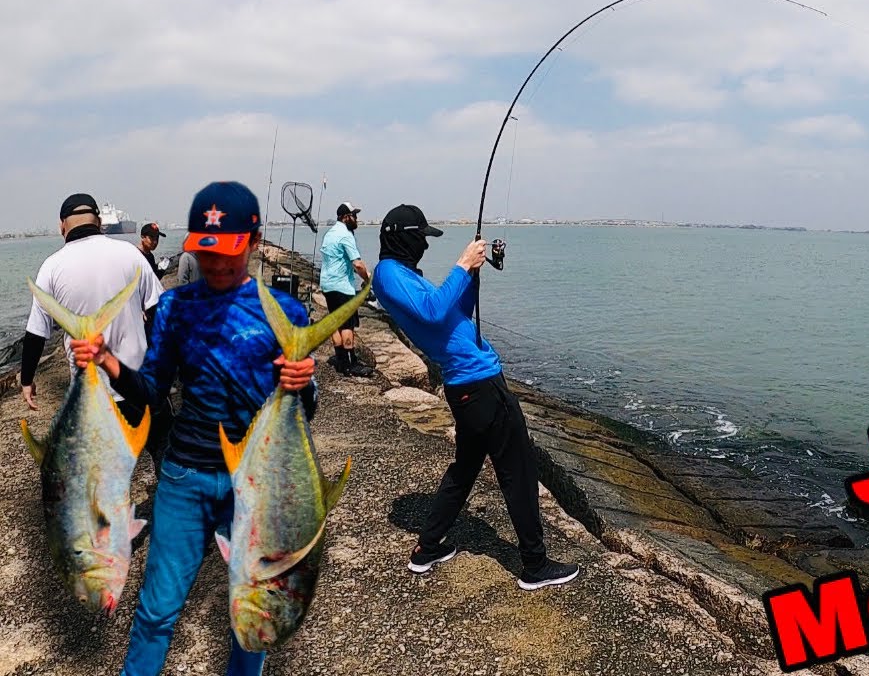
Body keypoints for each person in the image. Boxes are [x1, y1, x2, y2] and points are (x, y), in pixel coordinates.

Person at [70, 181, 319, 676]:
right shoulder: (176, 307)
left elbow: (304, 411)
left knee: (253, 611)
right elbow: (152, 389)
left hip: (256, 484)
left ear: (253, 240)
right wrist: (107, 362)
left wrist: (301, 382)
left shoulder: (285, 313)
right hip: (184, 477)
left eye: (227, 253)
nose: (217, 266)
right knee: (157, 610)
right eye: (206, 255)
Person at [371, 204, 580, 591]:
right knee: (519, 471)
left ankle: (427, 547)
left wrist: (472, 276)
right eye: (421, 238)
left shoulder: (401, 275)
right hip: (478, 383)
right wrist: (462, 263)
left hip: (467, 385)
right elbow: (434, 312)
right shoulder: (387, 273)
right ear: (404, 236)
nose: (425, 246)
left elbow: (455, 312)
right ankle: (534, 565)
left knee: (466, 468)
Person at [21, 193, 166, 466]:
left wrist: (27, 379)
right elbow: (161, 312)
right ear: (99, 222)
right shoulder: (130, 254)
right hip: (139, 383)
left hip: (93, 397)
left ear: (62, 226)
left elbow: (36, 332)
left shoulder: (50, 268)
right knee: (164, 456)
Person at [319, 201, 373, 377]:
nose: (356, 219)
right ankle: (350, 364)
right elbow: (357, 264)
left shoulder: (330, 234)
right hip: (342, 286)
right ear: (346, 217)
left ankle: (341, 360)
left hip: (328, 284)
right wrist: (368, 279)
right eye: (354, 215)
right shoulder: (345, 235)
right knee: (348, 325)